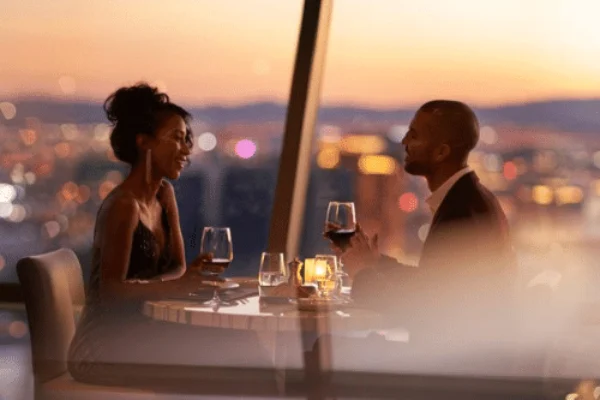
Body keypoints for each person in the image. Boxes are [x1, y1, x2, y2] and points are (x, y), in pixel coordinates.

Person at [68, 83, 272, 390]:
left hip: (147, 330)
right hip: (106, 347)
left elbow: (176, 268)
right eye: (177, 138)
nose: (187, 149)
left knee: (242, 343)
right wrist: (180, 285)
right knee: (234, 351)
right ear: (144, 143)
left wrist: (190, 277)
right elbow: (110, 291)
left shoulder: (164, 194)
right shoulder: (122, 207)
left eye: (187, 139)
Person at [323, 101, 518, 368]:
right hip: (459, 356)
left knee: (324, 352)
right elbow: (434, 284)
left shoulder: (462, 212)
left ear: (441, 152)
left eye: (414, 135)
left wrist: (363, 274)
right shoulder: (468, 199)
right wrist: (375, 261)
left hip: (449, 367)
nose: (404, 141)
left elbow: (423, 309)